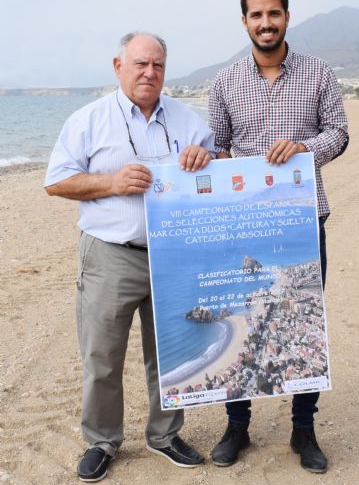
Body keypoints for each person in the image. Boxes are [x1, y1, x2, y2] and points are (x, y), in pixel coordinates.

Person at [45, 32, 214, 482]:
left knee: (171, 353)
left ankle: (165, 435)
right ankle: (102, 441)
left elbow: (216, 177)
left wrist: (208, 157)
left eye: (157, 65)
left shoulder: (187, 120)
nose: (149, 73)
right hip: (110, 256)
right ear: (118, 65)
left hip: (173, 255)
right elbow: (57, 181)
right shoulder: (89, 120)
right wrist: (111, 183)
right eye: (140, 64)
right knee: (102, 355)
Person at [208, 0, 349, 473]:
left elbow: (339, 133)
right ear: (244, 20)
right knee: (240, 316)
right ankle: (237, 425)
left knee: (302, 321)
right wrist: (220, 164)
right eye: (256, 15)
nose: (265, 23)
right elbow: (218, 148)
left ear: (287, 16)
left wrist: (305, 148)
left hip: (303, 221)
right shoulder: (224, 82)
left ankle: (303, 430)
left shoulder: (318, 73)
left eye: (273, 14)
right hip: (244, 222)